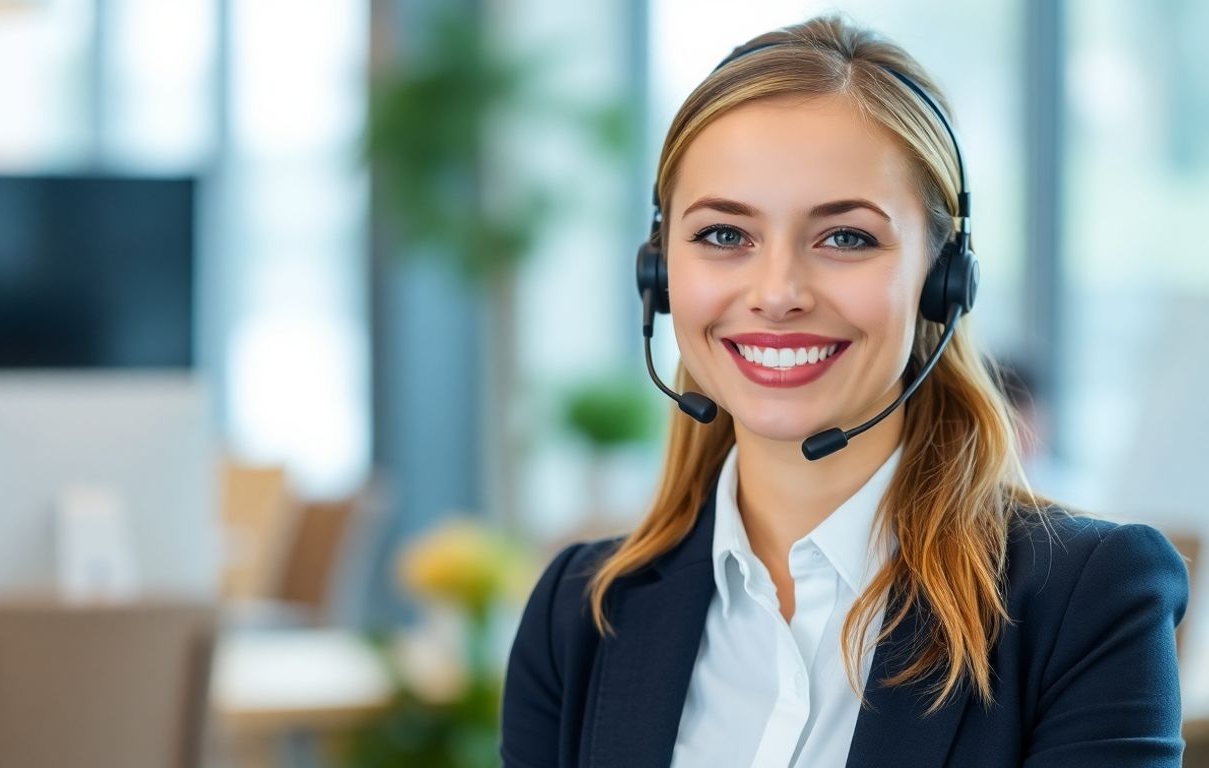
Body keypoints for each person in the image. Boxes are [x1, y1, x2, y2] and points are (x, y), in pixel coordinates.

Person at [500, 15, 1189, 768]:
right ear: (660, 274)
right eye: (725, 235)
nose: (777, 293)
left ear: (942, 281)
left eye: (846, 237)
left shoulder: (1086, 602)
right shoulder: (580, 616)